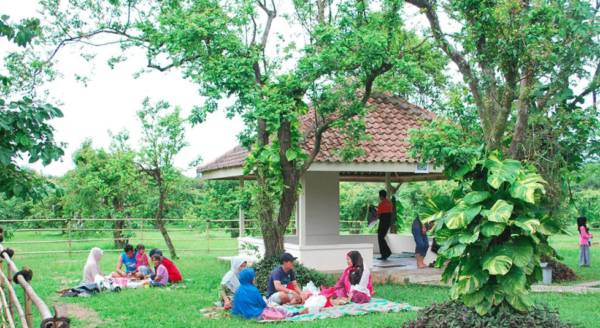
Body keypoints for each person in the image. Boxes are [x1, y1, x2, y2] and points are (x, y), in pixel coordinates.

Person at [376, 190, 393, 260]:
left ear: (381, 196)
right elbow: (389, 212)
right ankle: (387, 252)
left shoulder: (381, 204)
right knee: (382, 237)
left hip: (383, 221)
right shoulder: (389, 203)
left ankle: (385, 253)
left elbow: (378, 215)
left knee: (380, 237)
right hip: (388, 222)